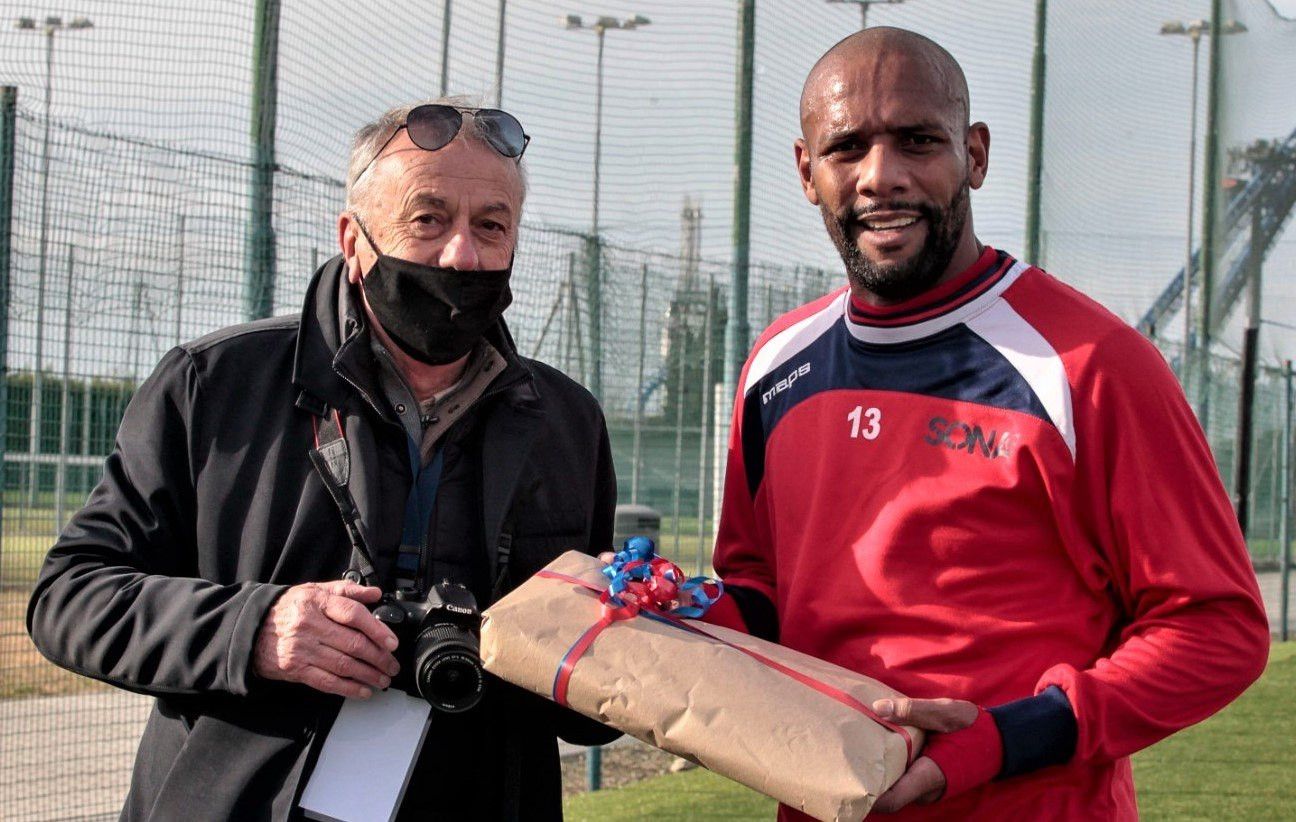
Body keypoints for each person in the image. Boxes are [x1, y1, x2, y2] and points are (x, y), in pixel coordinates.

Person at [704, 28, 1270, 820]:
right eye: (847, 148)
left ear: (974, 154)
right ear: (807, 171)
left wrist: (1004, 740)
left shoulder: (1089, 364)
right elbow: (760, 591)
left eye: (917, 141)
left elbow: (1218, 628)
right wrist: (664, 614)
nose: (880, 176)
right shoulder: (777, 365)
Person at [27, 100, 618, 820]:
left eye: (491, 226)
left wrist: (630, 645)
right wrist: (255, 630)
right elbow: (69, 598)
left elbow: (583, 698)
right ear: (353, 239)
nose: (462, 255)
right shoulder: (214, 387)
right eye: (428, 219)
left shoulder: (565, 422)